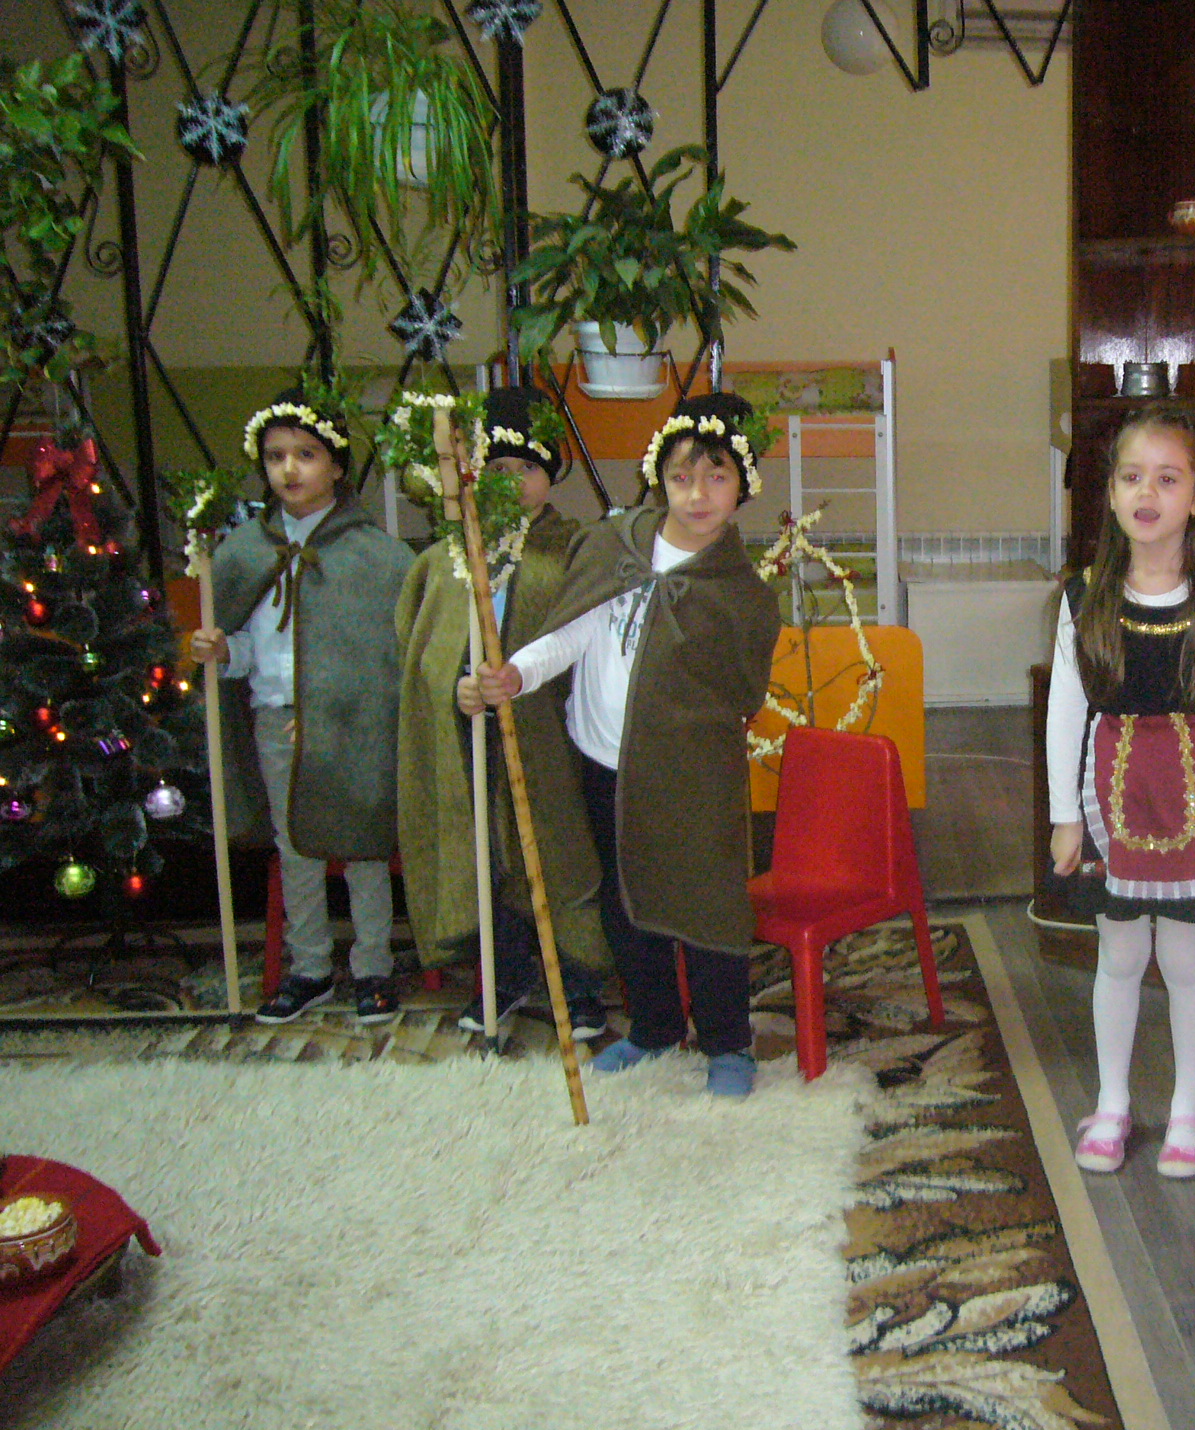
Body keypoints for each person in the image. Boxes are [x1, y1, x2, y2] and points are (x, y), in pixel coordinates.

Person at [471, 393, 779, 1097]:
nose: (697, 495)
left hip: (690, 776)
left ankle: (728, 1041)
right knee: (624, 901)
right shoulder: (614, 546)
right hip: (602, 762)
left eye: (717, 478)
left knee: (704, 904)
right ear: (658, 477)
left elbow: (742, 691)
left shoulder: (741, 591)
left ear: (743, 484)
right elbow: (571, 632)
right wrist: (517, 673)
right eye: (681, 477)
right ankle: (654, 1025)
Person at [1047, 403, 1195, 1177]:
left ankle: (1189, 1110)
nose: (1147, 493)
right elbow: (1066, 709)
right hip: (1114, 797)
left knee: (1189, 957)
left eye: (1168, 479)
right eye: (1132, 477)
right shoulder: (1085, 598)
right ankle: (1112, 1102)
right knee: (1121, 952)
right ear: (1109, 493)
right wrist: (1065, 816)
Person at [395, 386, 612, 1043]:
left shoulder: (575, 549)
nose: (514, 482)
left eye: (528, 468)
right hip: (474, 739)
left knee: (558, 852)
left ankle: (578, 981)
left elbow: (594, 638)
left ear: (551, 474)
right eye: (498, 468)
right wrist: (456, 690)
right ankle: (505, 973)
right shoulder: (448, 558)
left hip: (554, 738)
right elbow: (424, 652)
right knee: (492, 853)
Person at [191, 387, 413, 1026]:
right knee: (297, 850)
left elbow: (390, 654)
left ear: (337, 466)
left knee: (363, 848)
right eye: (275, 456)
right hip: (277, 719)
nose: (289, 469)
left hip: (354, 725)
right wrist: (221, 652)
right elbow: (248, 650)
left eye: (307, 454)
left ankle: (373, 967)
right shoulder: (243, 551)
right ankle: (310, 967)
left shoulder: (376, 557)